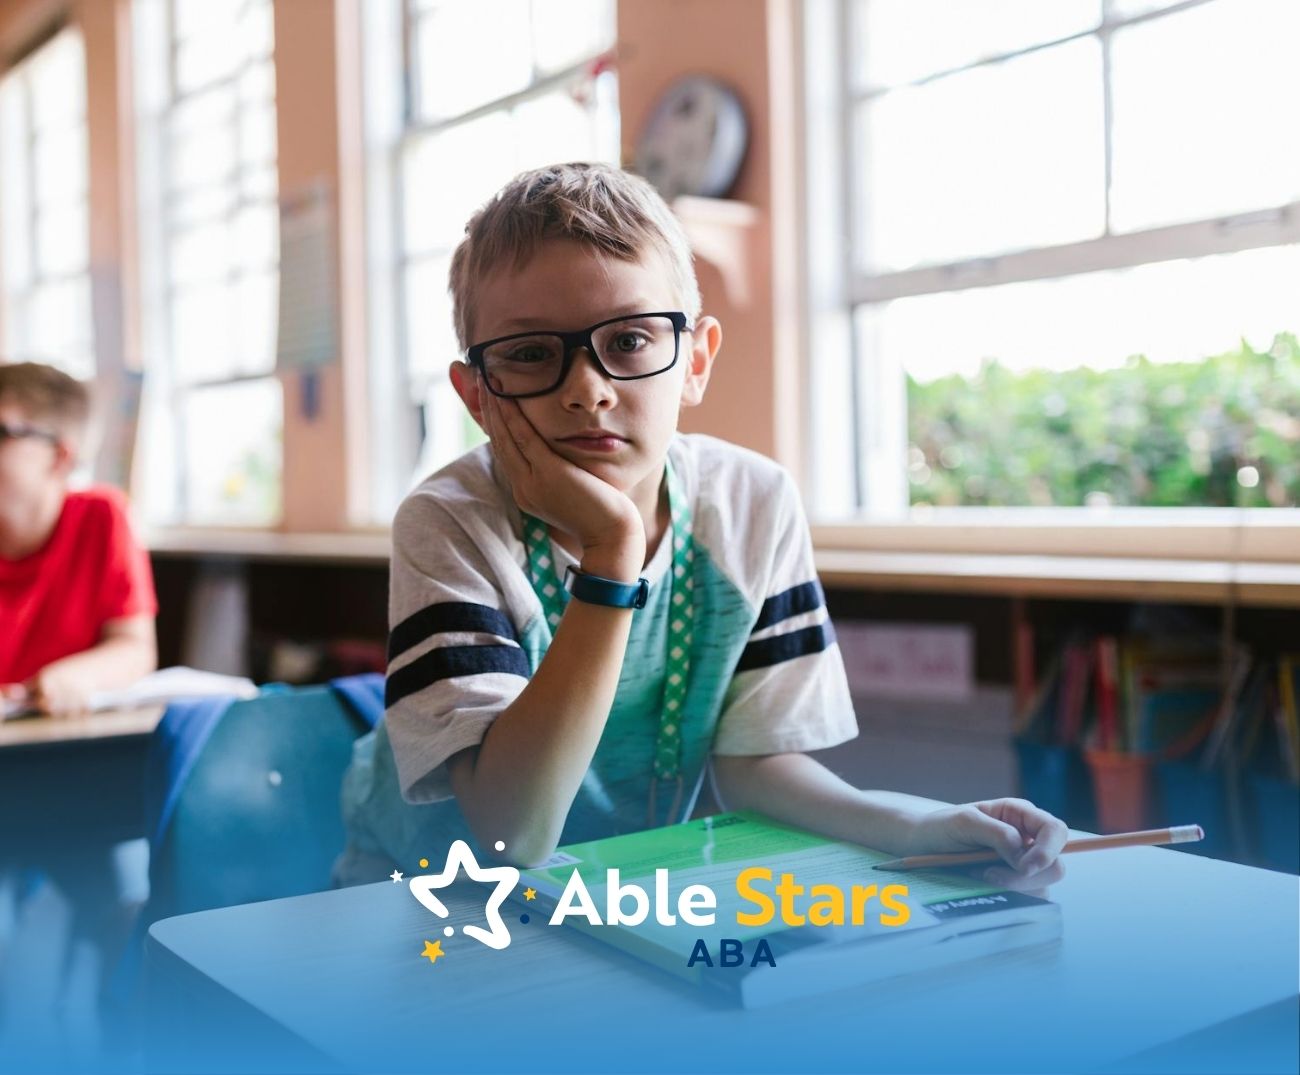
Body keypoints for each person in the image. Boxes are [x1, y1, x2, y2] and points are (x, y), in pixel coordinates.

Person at [337, 163, 1066, 890]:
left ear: (696, 359)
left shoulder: (751, 503)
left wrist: (917, 827)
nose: (587, 390)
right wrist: (613, 553)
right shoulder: (449, 523)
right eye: (530, 354)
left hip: (615, 896)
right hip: (428, 901)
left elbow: (752, 765)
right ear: (476, 394)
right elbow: (510, 832)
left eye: (628, 341)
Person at [0, 362, 157, 716]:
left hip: (59, 743)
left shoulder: (103, 517)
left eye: (1, 433)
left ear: (59, 456)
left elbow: (135, 647)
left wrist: (80, 677)